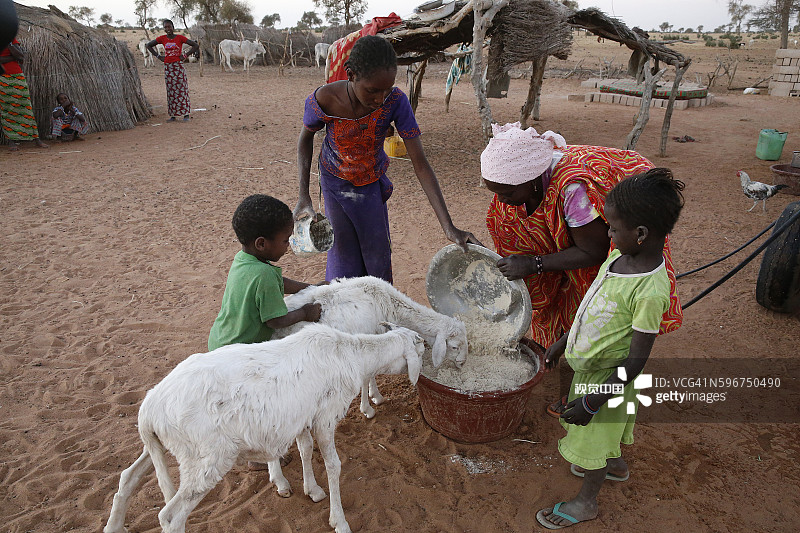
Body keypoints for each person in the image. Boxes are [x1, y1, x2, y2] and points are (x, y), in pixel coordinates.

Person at [480, 122, 682, 417]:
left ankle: (586, 388)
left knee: (599, 311)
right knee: (578, 304)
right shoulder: (523, 177)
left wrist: (535, 263)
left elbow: (594, 252)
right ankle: (572, 351)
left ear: (531, 180)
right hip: (599, 232)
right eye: (495, 192)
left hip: (624, 222)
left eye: (507, 192)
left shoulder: (574, 192)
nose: (501, 200)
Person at [535, 168, 685, 529]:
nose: (608, 234)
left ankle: (586, 502)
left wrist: (593, 401)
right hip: (593, 371)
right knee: (604, 436)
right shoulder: (618, 257)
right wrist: (563, 341)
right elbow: (592, 304)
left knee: (593, 441)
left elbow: (635, 363)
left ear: (641, 234)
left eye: (614, 228)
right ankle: (615, 464)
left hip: (608, 382)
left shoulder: (650, 292)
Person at [296, 35, 480, 283]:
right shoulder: (325, 99)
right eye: (372, 90)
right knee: (343, 264)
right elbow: (305, 140)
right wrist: (303, 196)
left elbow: (421, 165)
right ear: (351, 74)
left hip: (371, 185)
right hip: (334, 183)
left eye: (387, 89)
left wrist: (448, 227)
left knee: (377, 264)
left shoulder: (395, 102)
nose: (380, 99)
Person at [208, 194, 323, 353]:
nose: (288, 245)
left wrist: (311, 287)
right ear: (261, 243)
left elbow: (278, 282)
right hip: (236, 350)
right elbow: (276, 321)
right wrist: (305, 313)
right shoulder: (264, 274)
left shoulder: (243, 259)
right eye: (285, 240)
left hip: (219, 339)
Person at [146, 20, 199, 122]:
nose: (168, 29)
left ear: (173, 27)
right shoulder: (162, 38)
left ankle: (186, 114)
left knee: (182, 90)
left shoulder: (180, 38)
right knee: (171, 91)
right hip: (168, 67)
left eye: (169, 27)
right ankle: (173, 115)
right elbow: (148, 45)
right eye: (165, 27)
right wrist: (158, 56)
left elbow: (195, 45)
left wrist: (185, 55)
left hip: (178, 66)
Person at [0, 37, 48, 151]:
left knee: (26, 107)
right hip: (2, 78)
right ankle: (11, 141)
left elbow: (21, 56)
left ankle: (36, 139)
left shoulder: (10, 38)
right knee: (7, 109)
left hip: (17, 76)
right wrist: (12, 58)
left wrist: (9, 44)